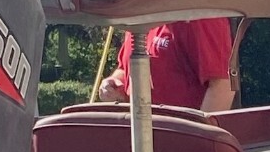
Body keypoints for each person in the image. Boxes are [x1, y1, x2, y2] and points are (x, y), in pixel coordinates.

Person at [97, 18, 235, 112]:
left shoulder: (200, 17)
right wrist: (114, 82)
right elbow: (125, 68)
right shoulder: (139, 18)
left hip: (177, 142)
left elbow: (223, 85)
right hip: (138, 136)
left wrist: (198, 142)